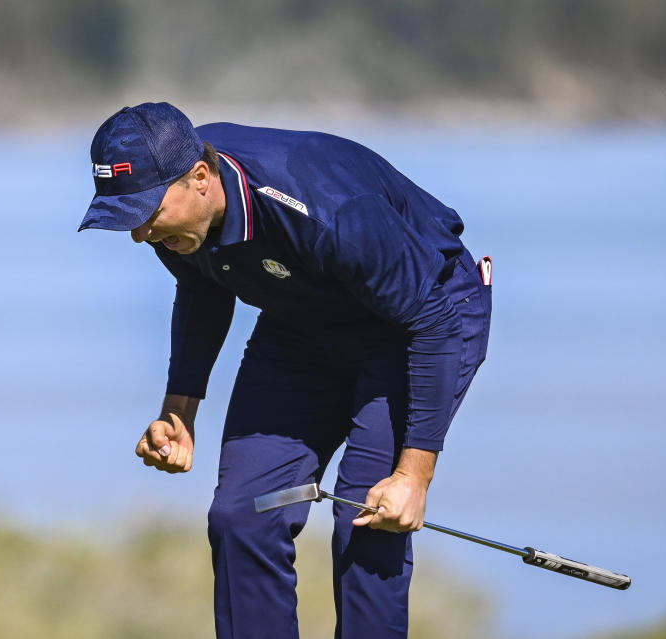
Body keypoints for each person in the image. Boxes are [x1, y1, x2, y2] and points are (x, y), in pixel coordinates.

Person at [78, 102, 492, 639]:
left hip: (420, 321)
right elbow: (201, 289)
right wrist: (179, 413)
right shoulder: (172, 220)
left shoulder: (329, 209)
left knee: (368, 519)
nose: (139, 234)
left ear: (200, 179)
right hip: (306, 321)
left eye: (145, 213)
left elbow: (433, 325)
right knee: (242, 515)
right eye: (126, 218)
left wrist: (414, 477)